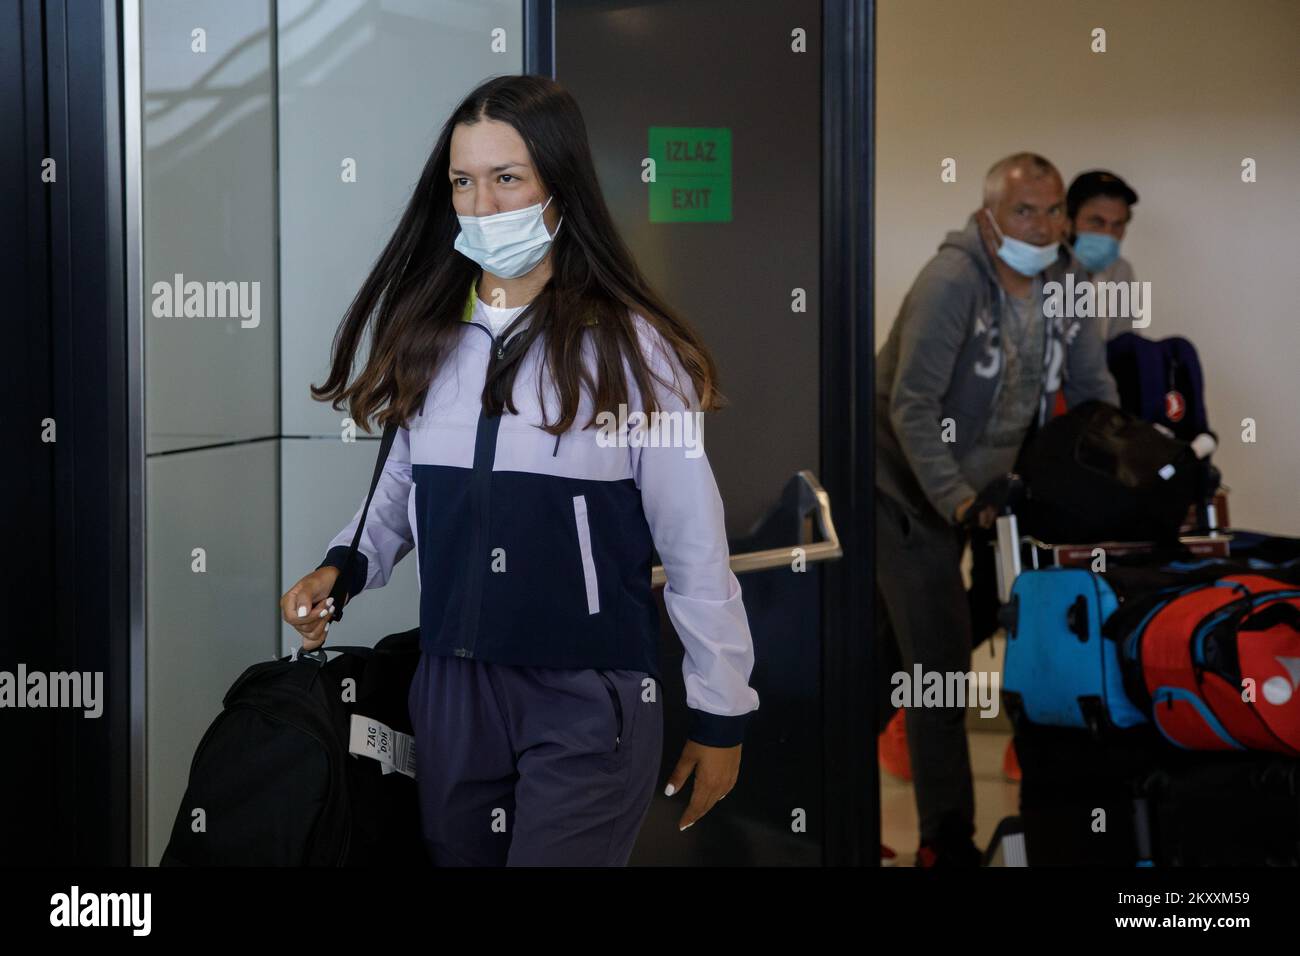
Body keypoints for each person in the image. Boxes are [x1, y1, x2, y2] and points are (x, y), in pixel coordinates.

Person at [278, 75, 759, 867]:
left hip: (587, 694)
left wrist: (721, 712)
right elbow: (401, 483)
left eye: (508, 178)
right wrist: (344, 566)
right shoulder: (430, 336)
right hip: (452, 692)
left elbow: (694, 545)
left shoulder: (634, 352)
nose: (483, 204)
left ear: (560, 185)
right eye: (464, 182)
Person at [874, 153, 1119, 866]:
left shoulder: (1066, 279)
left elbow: (1090, 382)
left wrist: (1121, 463)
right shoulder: (953, 281)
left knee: (895, 654)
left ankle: (814, 791)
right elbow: (911, 405)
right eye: (1024, 212)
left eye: (1051, 211)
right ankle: (944, 840)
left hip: (983, 491)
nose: (1041, 227)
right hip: (901, 485)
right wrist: (953, 500)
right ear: (989, 217)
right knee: (940, 661)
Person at [1064, 170, 1140, 341]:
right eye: (1097, 222)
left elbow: (1122, 345)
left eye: (1117, 225)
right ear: (1068, 222)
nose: (1108, 234)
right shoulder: (1043, 268)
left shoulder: (1121, 271)